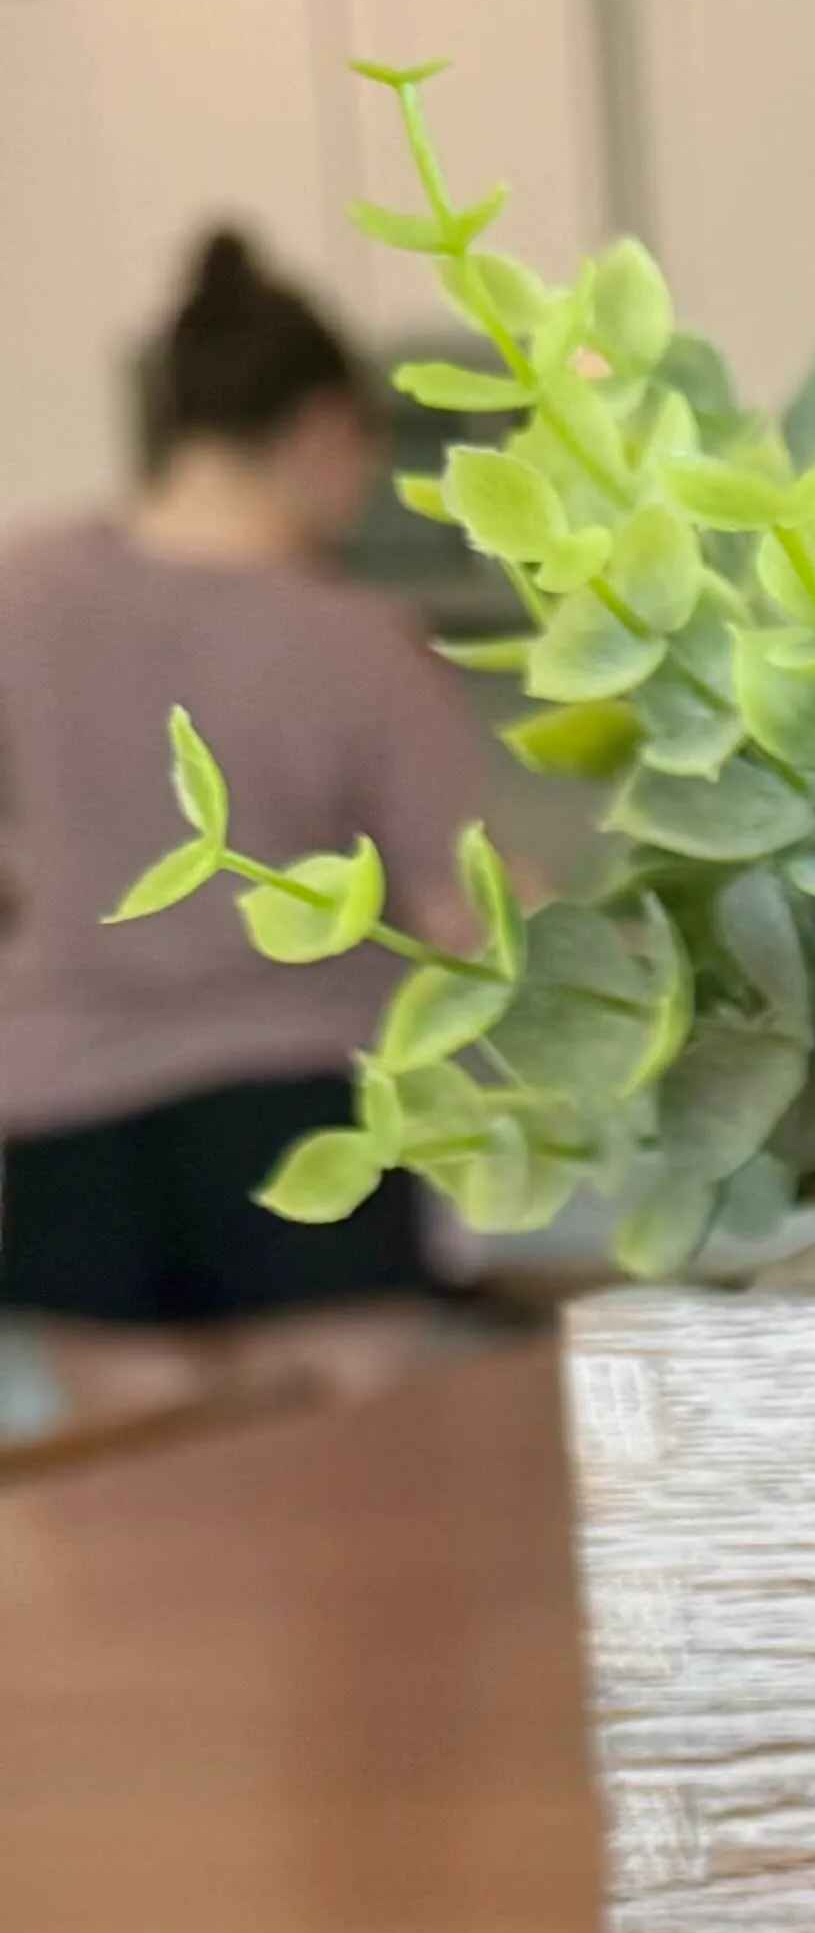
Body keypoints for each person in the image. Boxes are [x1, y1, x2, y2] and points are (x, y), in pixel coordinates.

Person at [0, 225, 494, 1393]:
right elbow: (450, 912)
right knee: (339, 1528)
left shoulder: (22, 593)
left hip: (72, 1119)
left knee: (138, 1534)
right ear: (324, 432)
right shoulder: (356, 641)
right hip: (300, 1117)